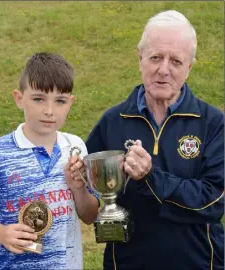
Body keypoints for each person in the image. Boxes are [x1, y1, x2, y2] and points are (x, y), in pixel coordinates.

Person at [86, 10, 224, 270]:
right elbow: (89, 192)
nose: (164, 69)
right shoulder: (113, 121)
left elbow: (214, 201)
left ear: (189, 67)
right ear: (140, 59)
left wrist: (151, 177)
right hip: (127, 263)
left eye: (176, 61)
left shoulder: (213, 123)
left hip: (199, 262)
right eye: (155, 57)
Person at [0, 52, 99, 270]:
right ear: (19, 98)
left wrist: (78, 189)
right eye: (38, 98)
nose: (49, 111)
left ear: (70, 103)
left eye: (60, 101)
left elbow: (90, 216)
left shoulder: (75, 147)